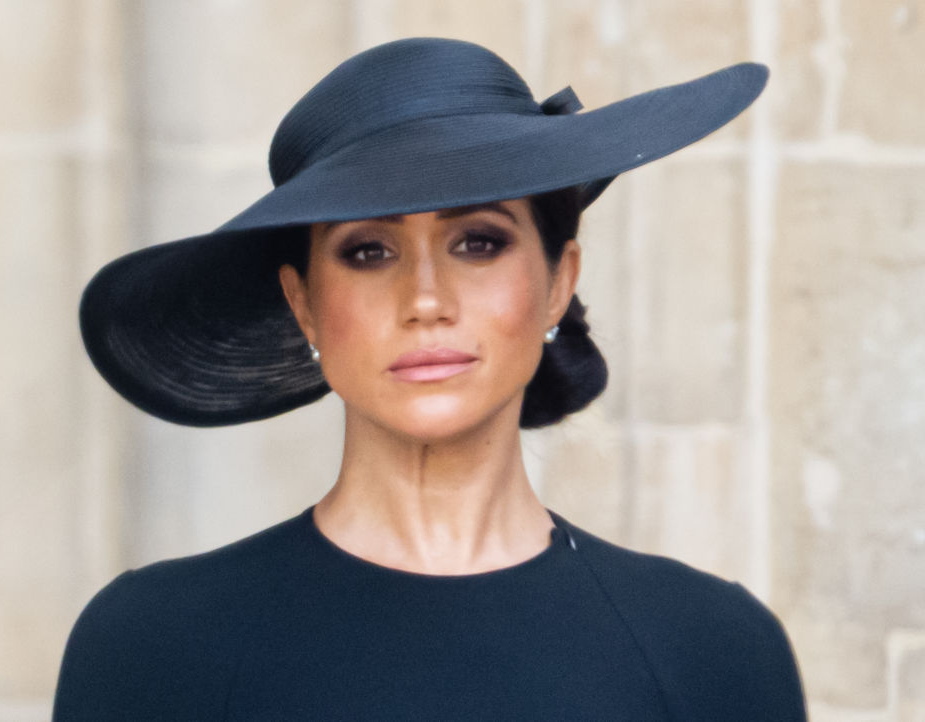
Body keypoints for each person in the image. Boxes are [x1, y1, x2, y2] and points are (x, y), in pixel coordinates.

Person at [54, 37, 806, 720]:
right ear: (304, 305)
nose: (425, 300)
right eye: (369, 251)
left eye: (478, 242)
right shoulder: (153, 645)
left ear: (556, 282)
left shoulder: (712, 651)